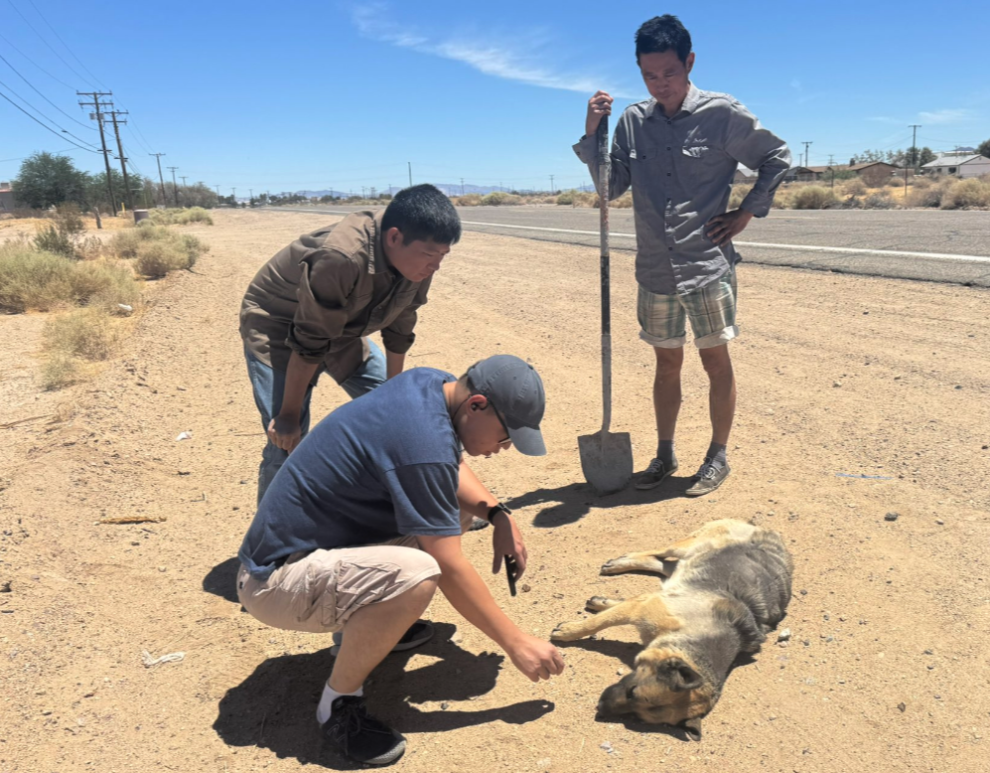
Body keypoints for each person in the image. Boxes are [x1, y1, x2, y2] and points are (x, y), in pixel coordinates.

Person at [236, 354, 565, 766]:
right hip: (273, 581)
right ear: (476, 404)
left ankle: (378, 625)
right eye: (505, 435)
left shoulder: (432, 386)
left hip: (310, 552)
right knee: (420, 573)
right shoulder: (421, 439)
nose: (505, 447)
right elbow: (447, 564)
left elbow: (445, 464)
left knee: (459, 509)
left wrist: (497, 514)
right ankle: (339, 705)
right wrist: (516, 642)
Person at [574, 15, 791, 496]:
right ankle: (665, 453)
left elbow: (777, 157)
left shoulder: (722, 114)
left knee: (716, 363)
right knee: (666, 365)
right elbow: (610, 187)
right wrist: (593, 132)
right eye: (649, 75)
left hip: (706, 267)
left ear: (689, 62)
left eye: (669, 72)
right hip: (654, 270)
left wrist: (745, 214)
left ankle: (717, 456)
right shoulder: (632, 122)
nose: (661, 84)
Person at [240, 184, 459, 505]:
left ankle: (429, 509)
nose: (435, 266)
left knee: (408, 418)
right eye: (430, 255)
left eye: (443, 255)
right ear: (394, 237)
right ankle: (267, 550)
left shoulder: (420, 258)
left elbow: (400, 326)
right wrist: (288, 414)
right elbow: (310, 340)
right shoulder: (341, 255)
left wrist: (393, 395)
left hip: (342, 328)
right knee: (285, 440)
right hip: (280, 328)